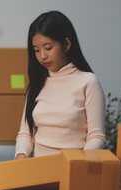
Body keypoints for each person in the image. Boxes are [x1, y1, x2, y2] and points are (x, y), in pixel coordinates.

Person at [15, 11, 106, 159]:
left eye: (48, 47)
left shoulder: (88, 82)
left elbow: (97, 137)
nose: (42, 56)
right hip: (39, 170)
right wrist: (21, 155)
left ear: (67, 44)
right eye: (36, 50)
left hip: (74, 169)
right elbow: (26, 133)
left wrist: (79, 163)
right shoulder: (37, 85)